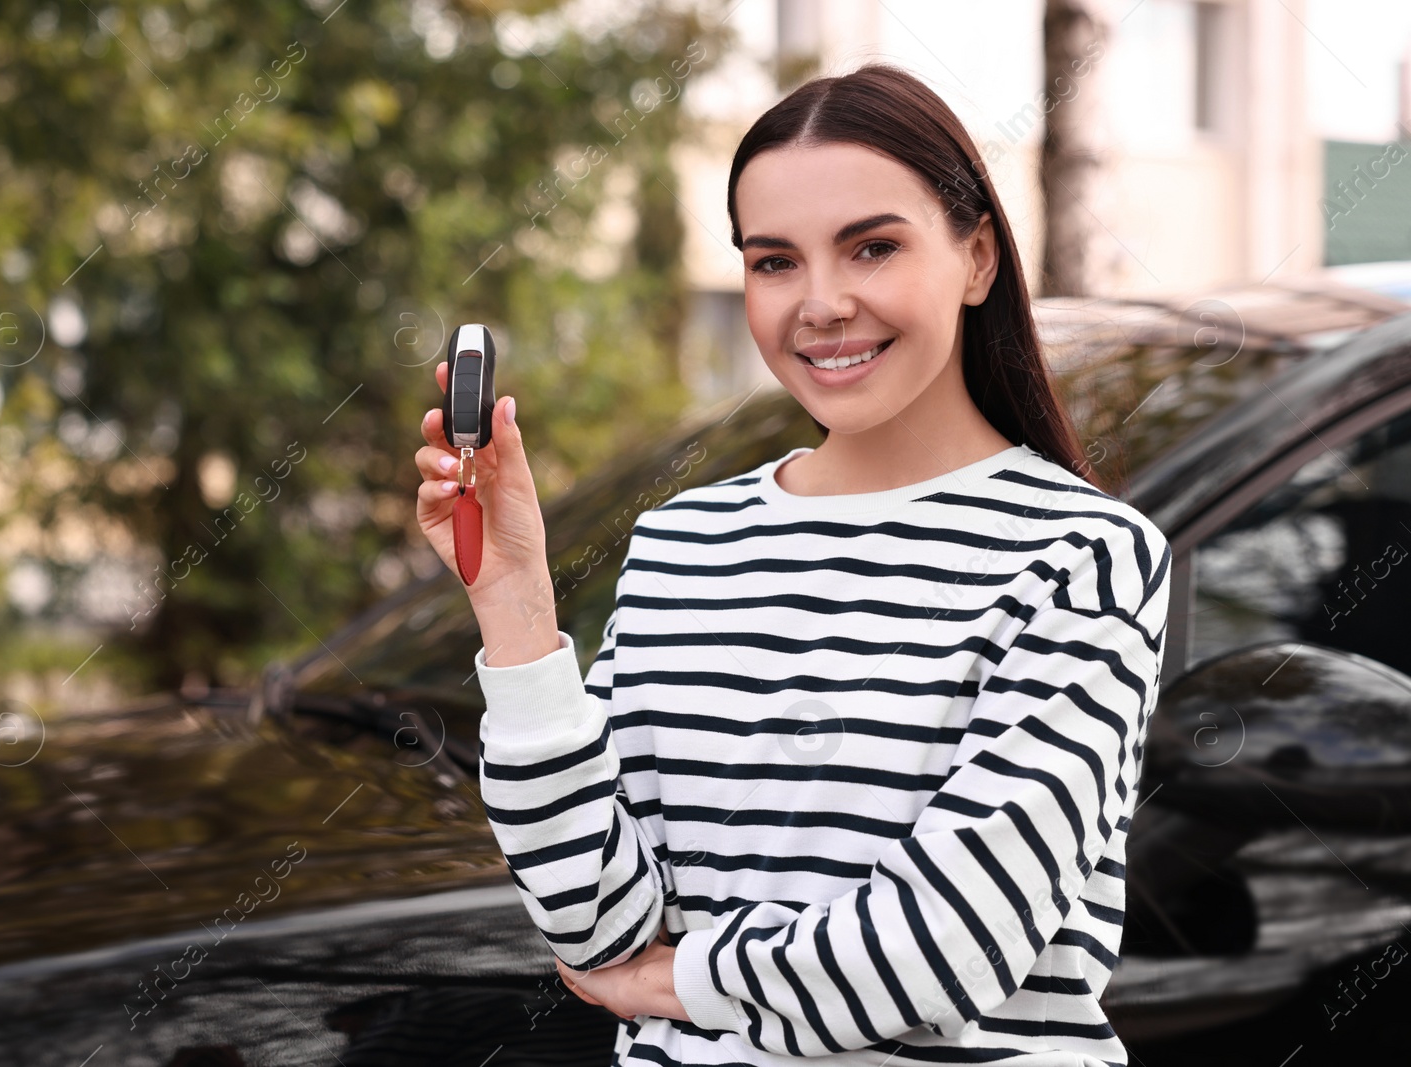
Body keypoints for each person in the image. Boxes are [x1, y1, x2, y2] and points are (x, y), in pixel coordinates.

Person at [414, 62, 1171, 1067]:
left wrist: (678, 980)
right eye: (774, 261)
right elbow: (594, 925)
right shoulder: (684, 543)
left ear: (977, 256)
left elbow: (947, 945)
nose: (820, 303)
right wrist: (514, 609)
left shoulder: (1083, 556)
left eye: (871, 246)